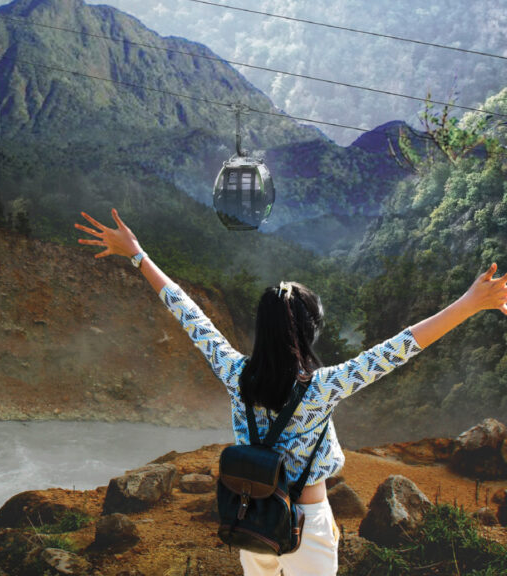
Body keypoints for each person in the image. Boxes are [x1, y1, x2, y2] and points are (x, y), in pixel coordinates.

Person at [74, 208, 507, 576]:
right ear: (308, 330)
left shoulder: (235, 373)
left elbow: (191, 317)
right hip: (307, 522)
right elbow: (399, 348)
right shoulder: (323, 387)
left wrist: (138, 255)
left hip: (252, 518)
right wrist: (469, 303)